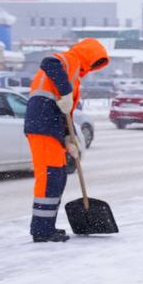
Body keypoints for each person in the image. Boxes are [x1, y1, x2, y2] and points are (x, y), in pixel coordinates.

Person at [24, 38, 109, 242]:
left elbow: (65, 113)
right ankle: (41, 230)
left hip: (51, 126)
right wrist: (65, 93)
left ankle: (47, 226)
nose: (93, 68)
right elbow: (48, 62)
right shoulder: (69, 60)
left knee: (58, 176)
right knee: (49, 177)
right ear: (89, 55)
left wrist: (68, 139)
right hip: (42, 123)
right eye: (95, 62)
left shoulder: (74, 76)